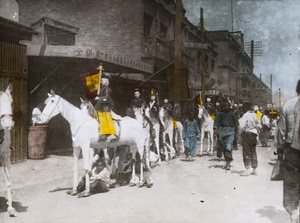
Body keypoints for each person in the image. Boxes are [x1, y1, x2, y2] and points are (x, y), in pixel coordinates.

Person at [275, 79, 300, 223]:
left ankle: (294, 213)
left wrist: (280, 150)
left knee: (292, 182)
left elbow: (281, 130)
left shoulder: (289, 104)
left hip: (293, 149)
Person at [214, 101, 239, 170]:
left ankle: (228, 163)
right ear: (223, 107)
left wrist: (237, 135)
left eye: (228, 106)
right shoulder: (220, 114)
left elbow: (236, 124)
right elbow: (216, 123)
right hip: (222, 131)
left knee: (228, 146)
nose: (227, 108)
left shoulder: (232, 114)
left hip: (231, 131)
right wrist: (216, 130)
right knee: (224, 147)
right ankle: (226, 160)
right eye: (225, 106)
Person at [238, 102, 260, 176]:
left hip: (247, 134)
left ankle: (248, 168)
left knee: (246, 151)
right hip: (254, 134)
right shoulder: (254, 114)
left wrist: (239, 134)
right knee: (253, 151)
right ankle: (255, 168)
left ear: (245, 108)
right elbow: (259, 124)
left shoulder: (245, 115)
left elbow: (241, 126)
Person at [94, 72, 117, 142]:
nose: (101, 81)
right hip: (102, 106)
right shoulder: (103, 88)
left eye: (102, 80)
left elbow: (106, 97)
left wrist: (99, 98)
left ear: (106, 80)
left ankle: (111, 133)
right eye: (101, 80)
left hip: (105, 106)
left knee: (105, 118)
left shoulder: (106, 89)